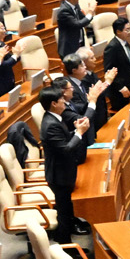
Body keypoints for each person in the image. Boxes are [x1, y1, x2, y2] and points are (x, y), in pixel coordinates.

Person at [41, 81, 94, 245]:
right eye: (61, 100)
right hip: (59, 175)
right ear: (54, 103)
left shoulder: (53, 118)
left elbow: (63, 138)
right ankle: (65, 246)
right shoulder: (50, 124)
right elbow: (66, 149)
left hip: (63, 171)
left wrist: (74, 130)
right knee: (63, 212)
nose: (65, 101)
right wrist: (79, 133)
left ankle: (69, 232)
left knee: (67, 208)